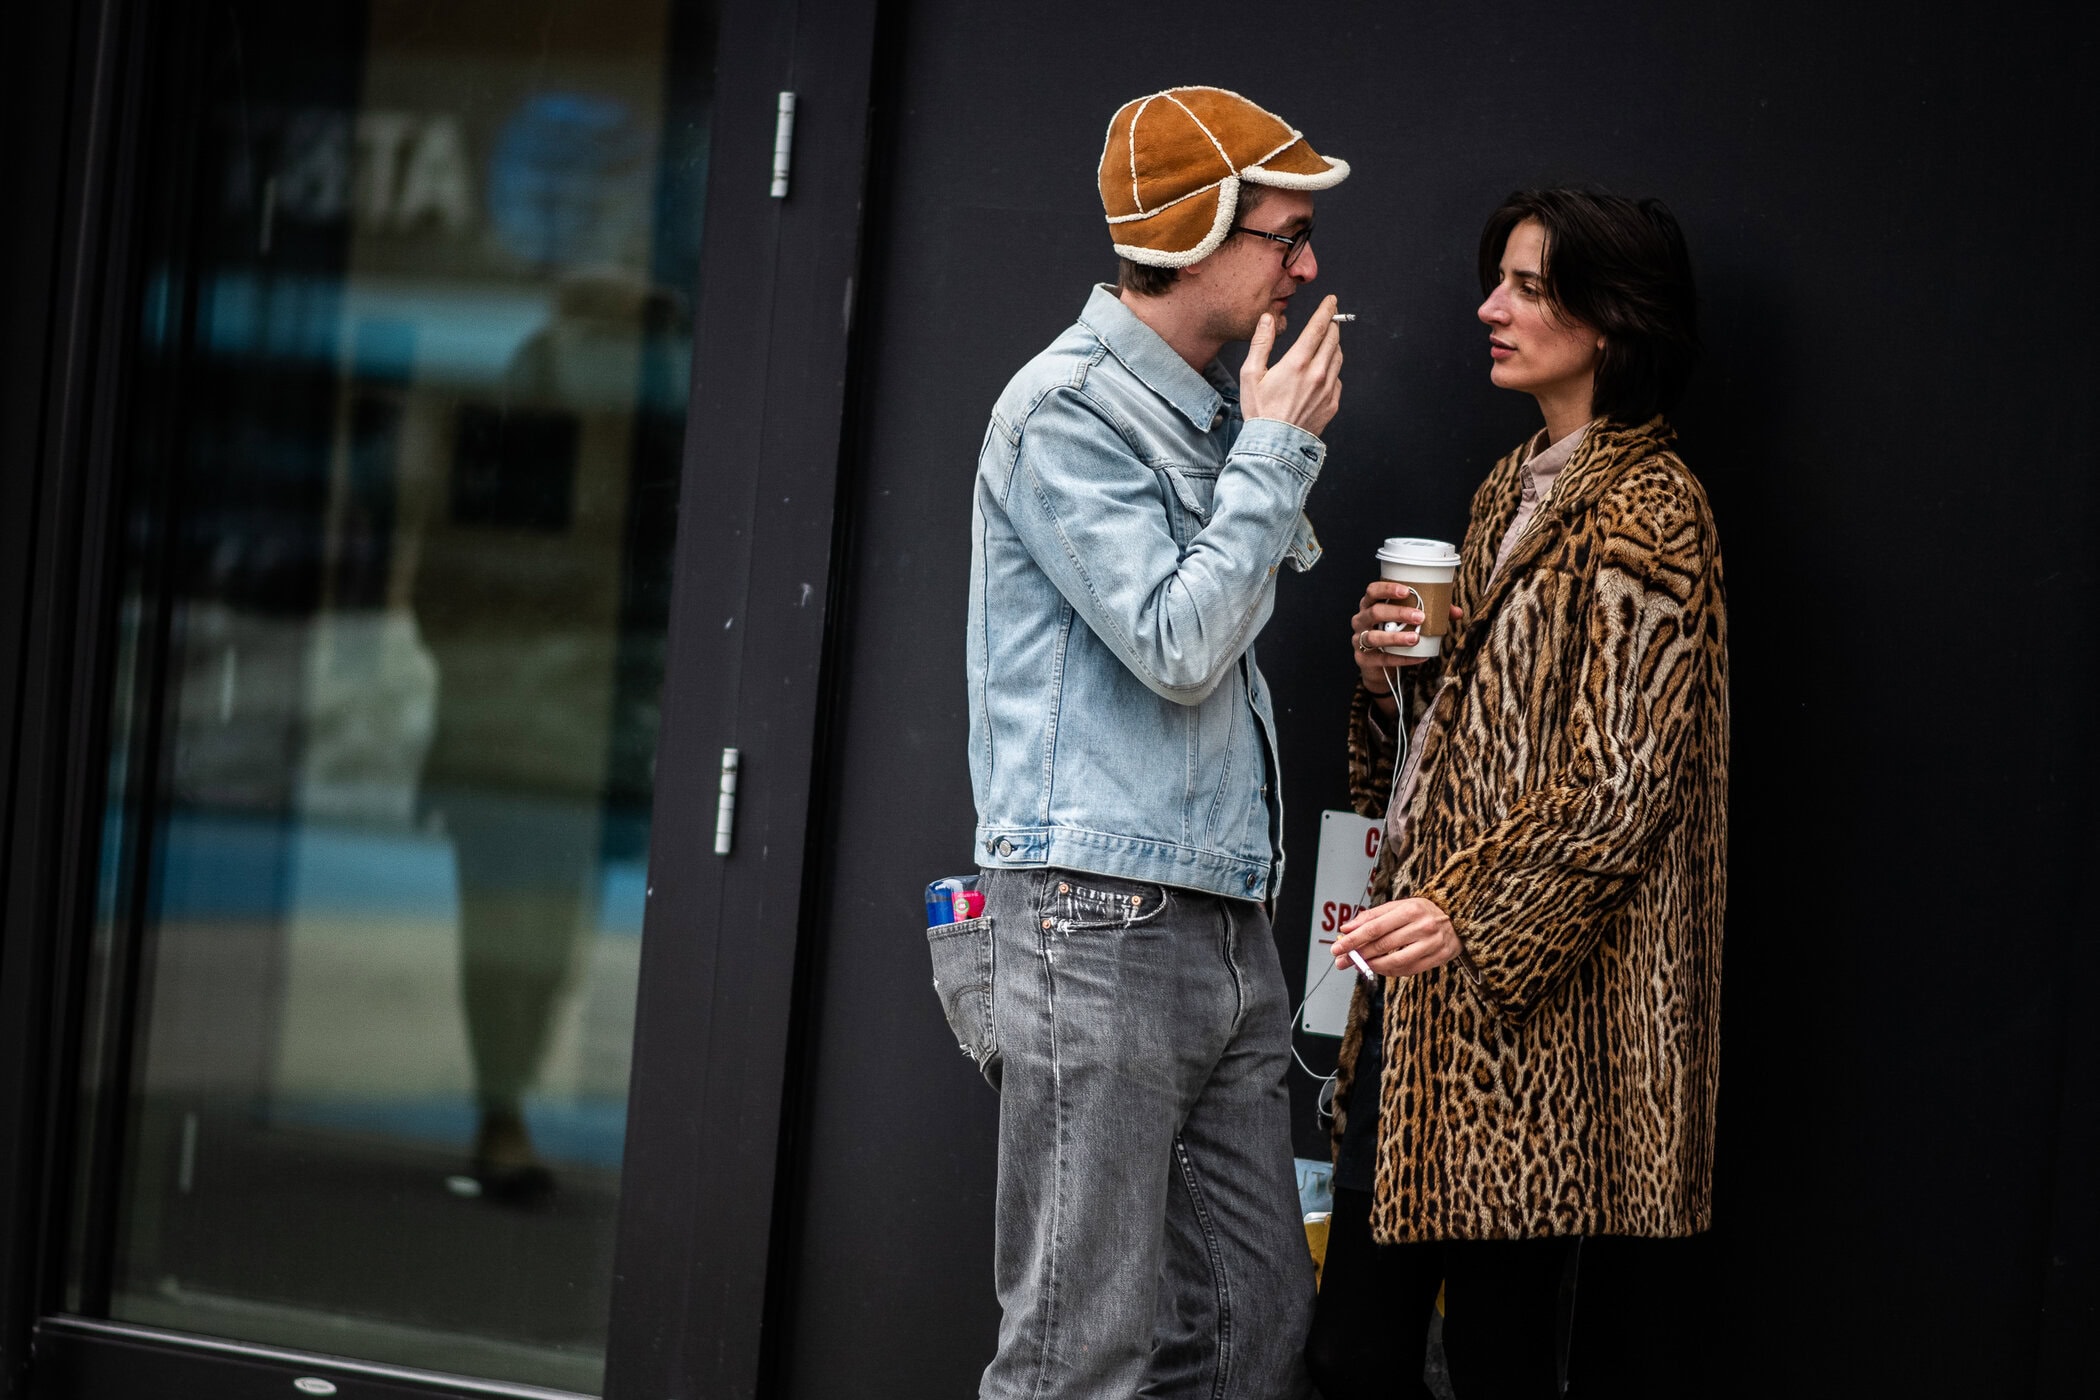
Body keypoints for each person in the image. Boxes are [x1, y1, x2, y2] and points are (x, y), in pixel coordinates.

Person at [938, 87, 1348, 1399]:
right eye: (1284, 234)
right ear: (1204, 233)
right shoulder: (1063, 411)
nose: (1307, 263)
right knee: (1079, 1345)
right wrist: (1278, 453)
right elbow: (1177, 639)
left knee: (1252, 1320)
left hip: (1220, 914)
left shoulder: (1199, 410)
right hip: (1095, 921)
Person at [1305, 189, 1727, 1399]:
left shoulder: (1653, 507)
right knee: (1358, 1348)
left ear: (1613, 319)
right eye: (1500, 279)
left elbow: (1622, 780)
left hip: (1536, 1025)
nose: (1489, 307)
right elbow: (1474, 741)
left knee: (1495, 1357)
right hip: (1431, 991)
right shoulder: (1510, 487)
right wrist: (1398, 676)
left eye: (1530, 287)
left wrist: (1471, 916)